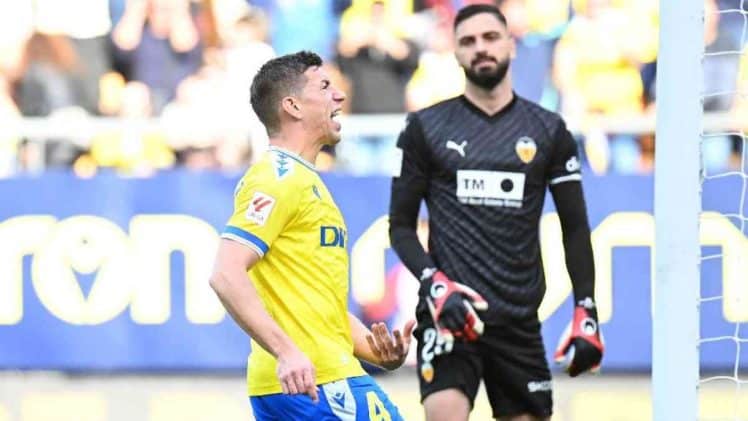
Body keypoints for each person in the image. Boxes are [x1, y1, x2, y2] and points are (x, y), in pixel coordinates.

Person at [389, 5, 603, 421]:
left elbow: (575, 229)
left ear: (511, 44)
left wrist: (586, 311)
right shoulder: (425, 127)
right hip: (449, 313)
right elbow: (400, 227)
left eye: (490, 37)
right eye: (467, 41)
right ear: (454, 52)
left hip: (518, 319)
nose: (480, 48)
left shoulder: (548, 131)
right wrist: (436, 286)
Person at [209, 51, 411, 421]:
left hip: (310, 377)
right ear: (293, 106)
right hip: (319, 381)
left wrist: (374, 350)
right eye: (325, 86)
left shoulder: (305, 180)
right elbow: (225, 272)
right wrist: (286, 351)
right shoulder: (276, 177)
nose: (340, 95)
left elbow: (316, 308)